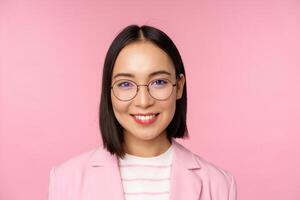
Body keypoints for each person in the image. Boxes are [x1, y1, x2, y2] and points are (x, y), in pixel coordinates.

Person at [48, 24, 237, 200]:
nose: (144, 101)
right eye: (125, 84)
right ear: (109, 91)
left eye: (159, 82)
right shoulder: (65, 180)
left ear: (178, 87)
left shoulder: (220, 185)